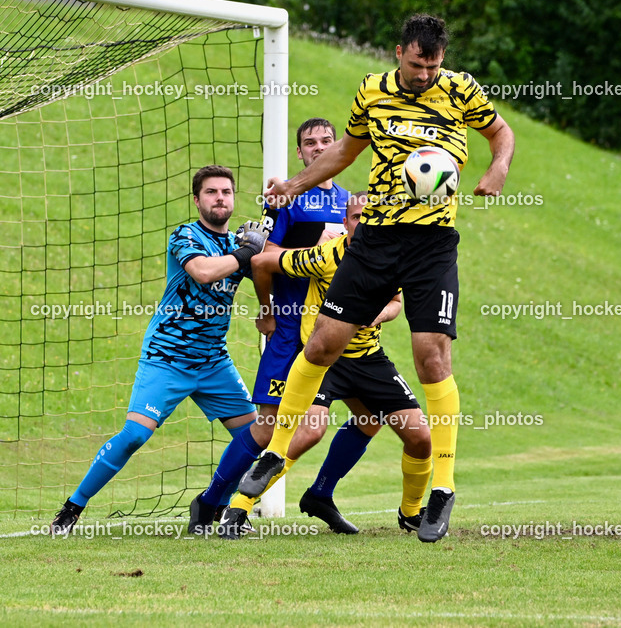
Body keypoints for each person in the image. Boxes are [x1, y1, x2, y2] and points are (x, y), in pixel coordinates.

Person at [240, 13, 515, 543]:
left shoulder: (461, 90)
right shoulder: (372, 92)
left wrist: (498, 166)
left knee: (432, 355)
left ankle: (443, 487)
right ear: (398, 53)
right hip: (375, 241)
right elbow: (346, 150)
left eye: (433, 65)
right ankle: (274, 456)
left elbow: (501, 133)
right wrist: (295, 185)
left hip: (432, 245)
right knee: (321, 344)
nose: (425, 74)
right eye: (417, 64)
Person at [51, 165, 269, 535]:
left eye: (226, 192)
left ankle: (214, 506)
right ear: (197, 199)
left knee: (258, 438)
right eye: (212, 192)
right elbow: (203, 272)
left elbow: (269, 270)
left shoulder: (238, 244)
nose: (220, 198)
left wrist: (267, 283)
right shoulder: (185, 235)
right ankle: (72, 508)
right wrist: (248, 251)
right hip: (167, 358)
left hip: (214, 362)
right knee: (135, 435)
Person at [217, 193, 433, 539]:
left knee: (419, 437)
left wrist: (381, 314)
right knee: (310, 430)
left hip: (367, 358)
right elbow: (261, 264)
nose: (363, 223)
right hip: (323, 358)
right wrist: (266, 309)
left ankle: (406, 513)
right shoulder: (326, 255)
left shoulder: (392, 256)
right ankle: (238, 507)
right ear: (344, 223)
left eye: (371, 217)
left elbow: (395, 301)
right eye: (357, 217)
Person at [186, 119, 348, 530]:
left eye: (326, 141)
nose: (318, 148)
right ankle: (213, 503)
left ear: (338, 148)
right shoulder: (285, 199)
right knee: (266, 426)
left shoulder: (351, 203)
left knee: (320, 425)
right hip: (291, 328)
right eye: (309, 143)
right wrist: (267, 308)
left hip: (333, 331)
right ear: (300, 153)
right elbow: (261, 255)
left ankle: (306, 496)